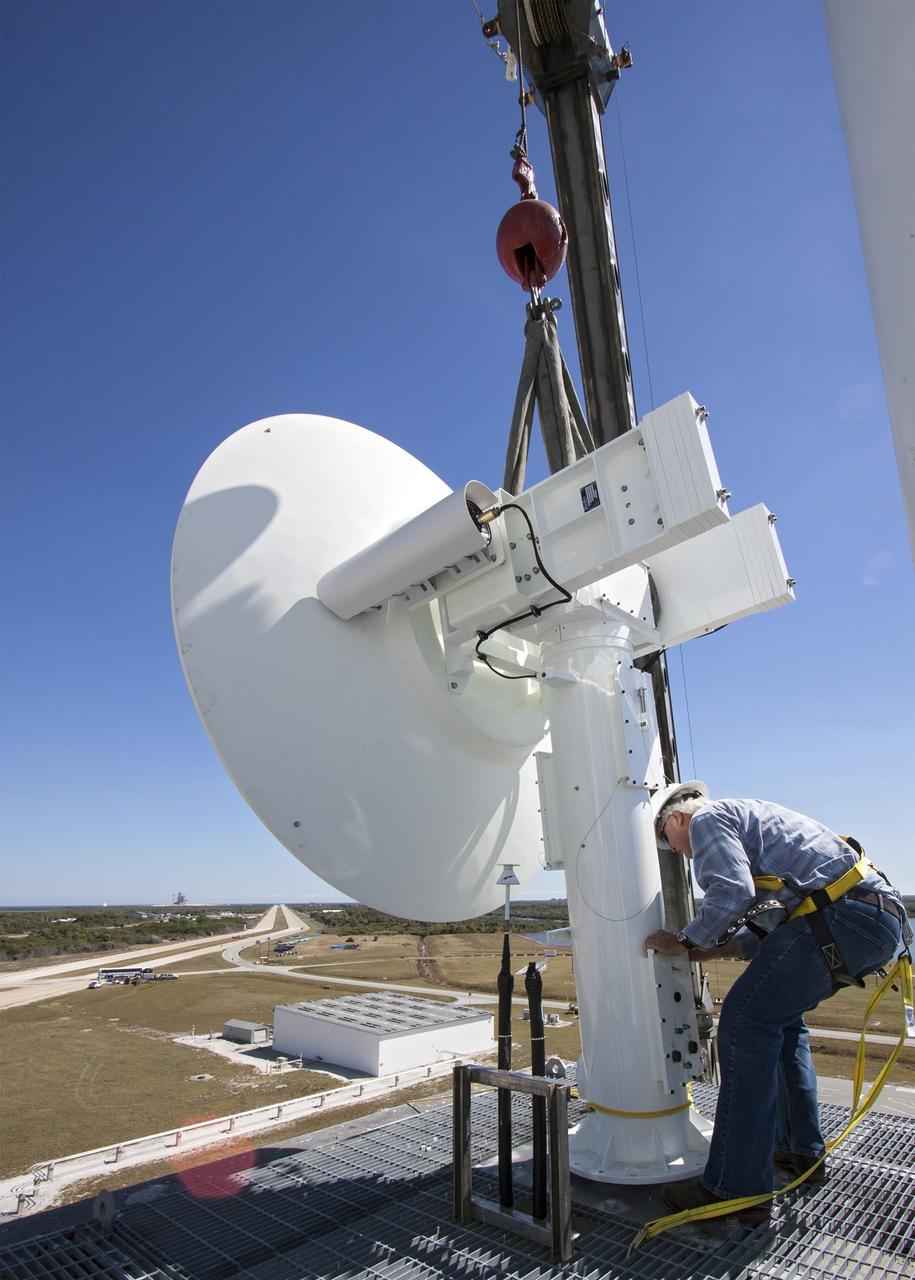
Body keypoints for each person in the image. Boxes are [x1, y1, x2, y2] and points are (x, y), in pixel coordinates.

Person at [644, 781, 909, 1226]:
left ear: (675, 820)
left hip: (842, 917)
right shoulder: (754, 827)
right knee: (782, 1023)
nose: (681, 854)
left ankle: (735, 1188)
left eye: (671, 845)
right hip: (871, 917)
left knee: (746, 1021)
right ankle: (797, 1150)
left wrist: (683, 940)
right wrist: (707, 949)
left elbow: (731, 894)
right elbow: (770, 931)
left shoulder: (708, 819)